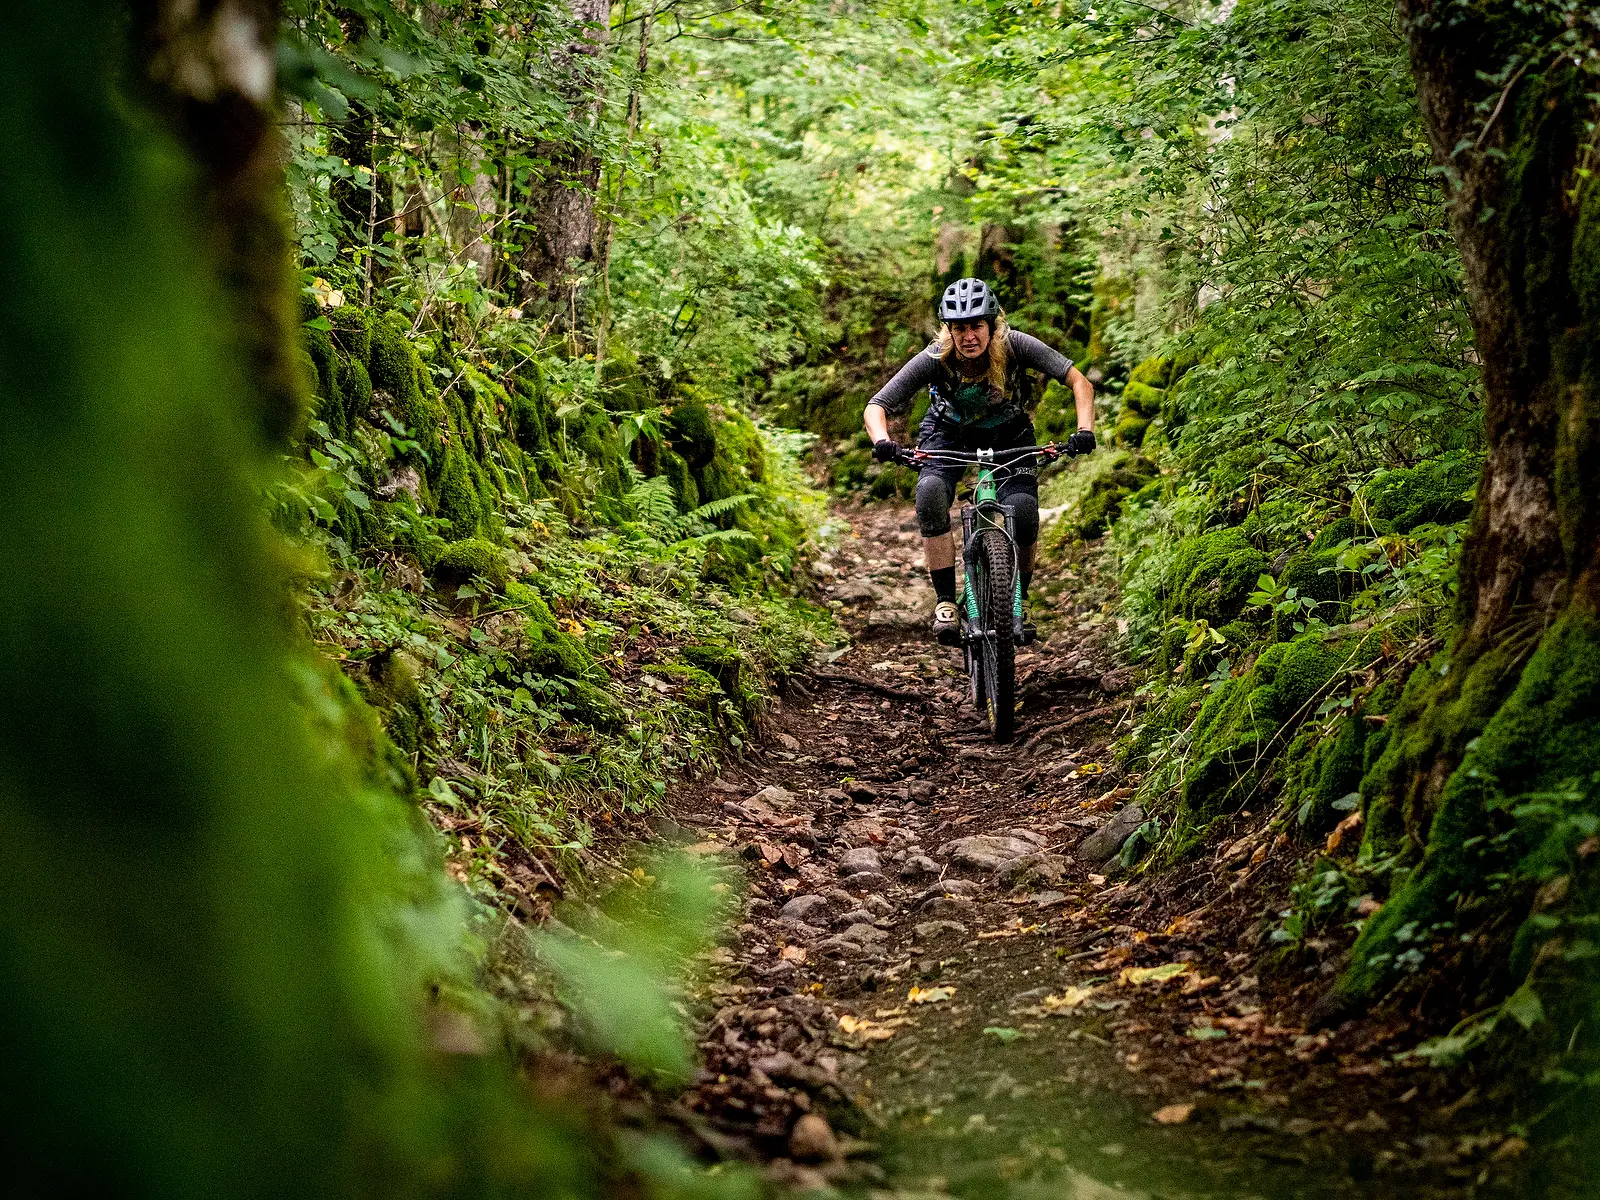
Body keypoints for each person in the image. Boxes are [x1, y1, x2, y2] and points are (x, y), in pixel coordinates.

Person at [863, 277, 1096, 644]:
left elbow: (1079, 382)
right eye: (959, 328)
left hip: (1009, 434)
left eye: (976, 326)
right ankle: (945, 602)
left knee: (1022, 509)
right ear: (949, 330)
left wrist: (1085, 430)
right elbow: (877, 405)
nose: (968, 336)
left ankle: (1018, 599)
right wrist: (883, 441)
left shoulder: (1015, 344)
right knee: (930, 495)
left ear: (991, 325)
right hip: (947, 434)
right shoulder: (935, 356)